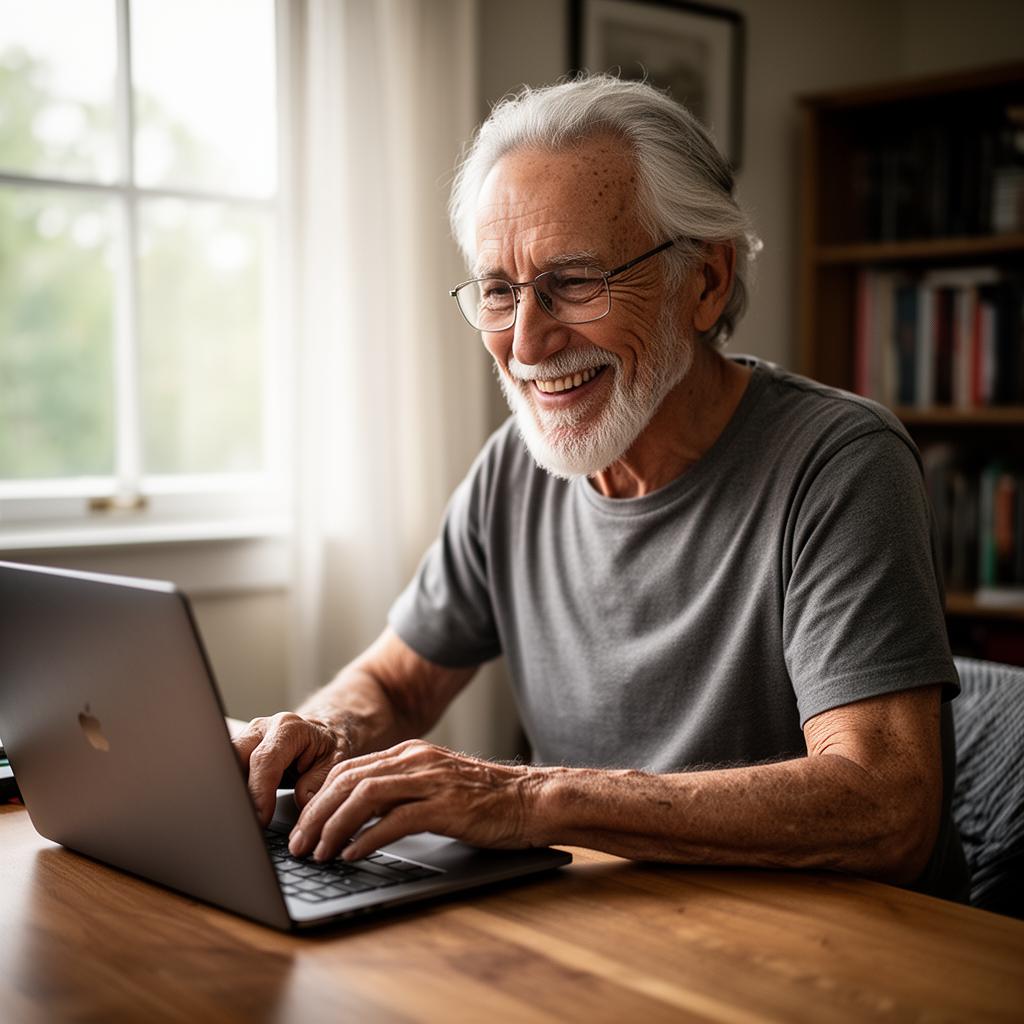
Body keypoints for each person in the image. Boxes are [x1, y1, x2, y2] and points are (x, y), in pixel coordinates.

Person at [234, 75, 968, 900]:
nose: (527, 340)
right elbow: (399, 681)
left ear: (706, 282)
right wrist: (327, 730)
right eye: (500, 292)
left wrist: (527, 797)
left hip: (834, 949)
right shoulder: (514, 467)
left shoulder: (841, 462)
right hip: (616, 927)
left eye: (575, 281)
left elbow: (885, 805)